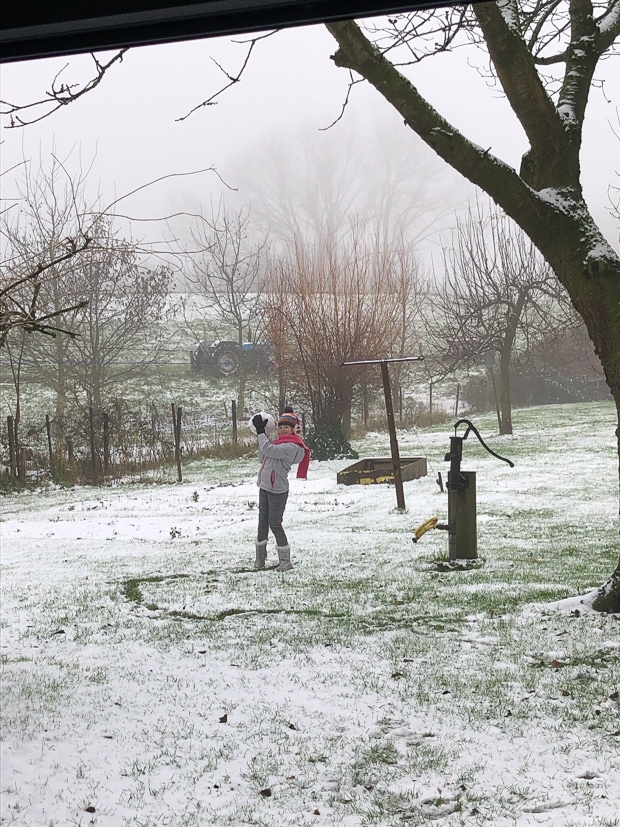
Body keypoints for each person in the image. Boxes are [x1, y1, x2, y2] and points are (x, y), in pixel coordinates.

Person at [252, 410, 310, 572]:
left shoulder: (292, 446)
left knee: (275, 524)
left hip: (277, 489)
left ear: (294, 429)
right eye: (280, 427)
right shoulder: (277, 443)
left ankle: (285, 561)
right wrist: (263, 435)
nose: (283, 429)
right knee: (262, 523)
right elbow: (263, 457)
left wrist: (261, 433)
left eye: (286, 427)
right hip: (265, 485)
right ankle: (260, 560)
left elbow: (268, 450)